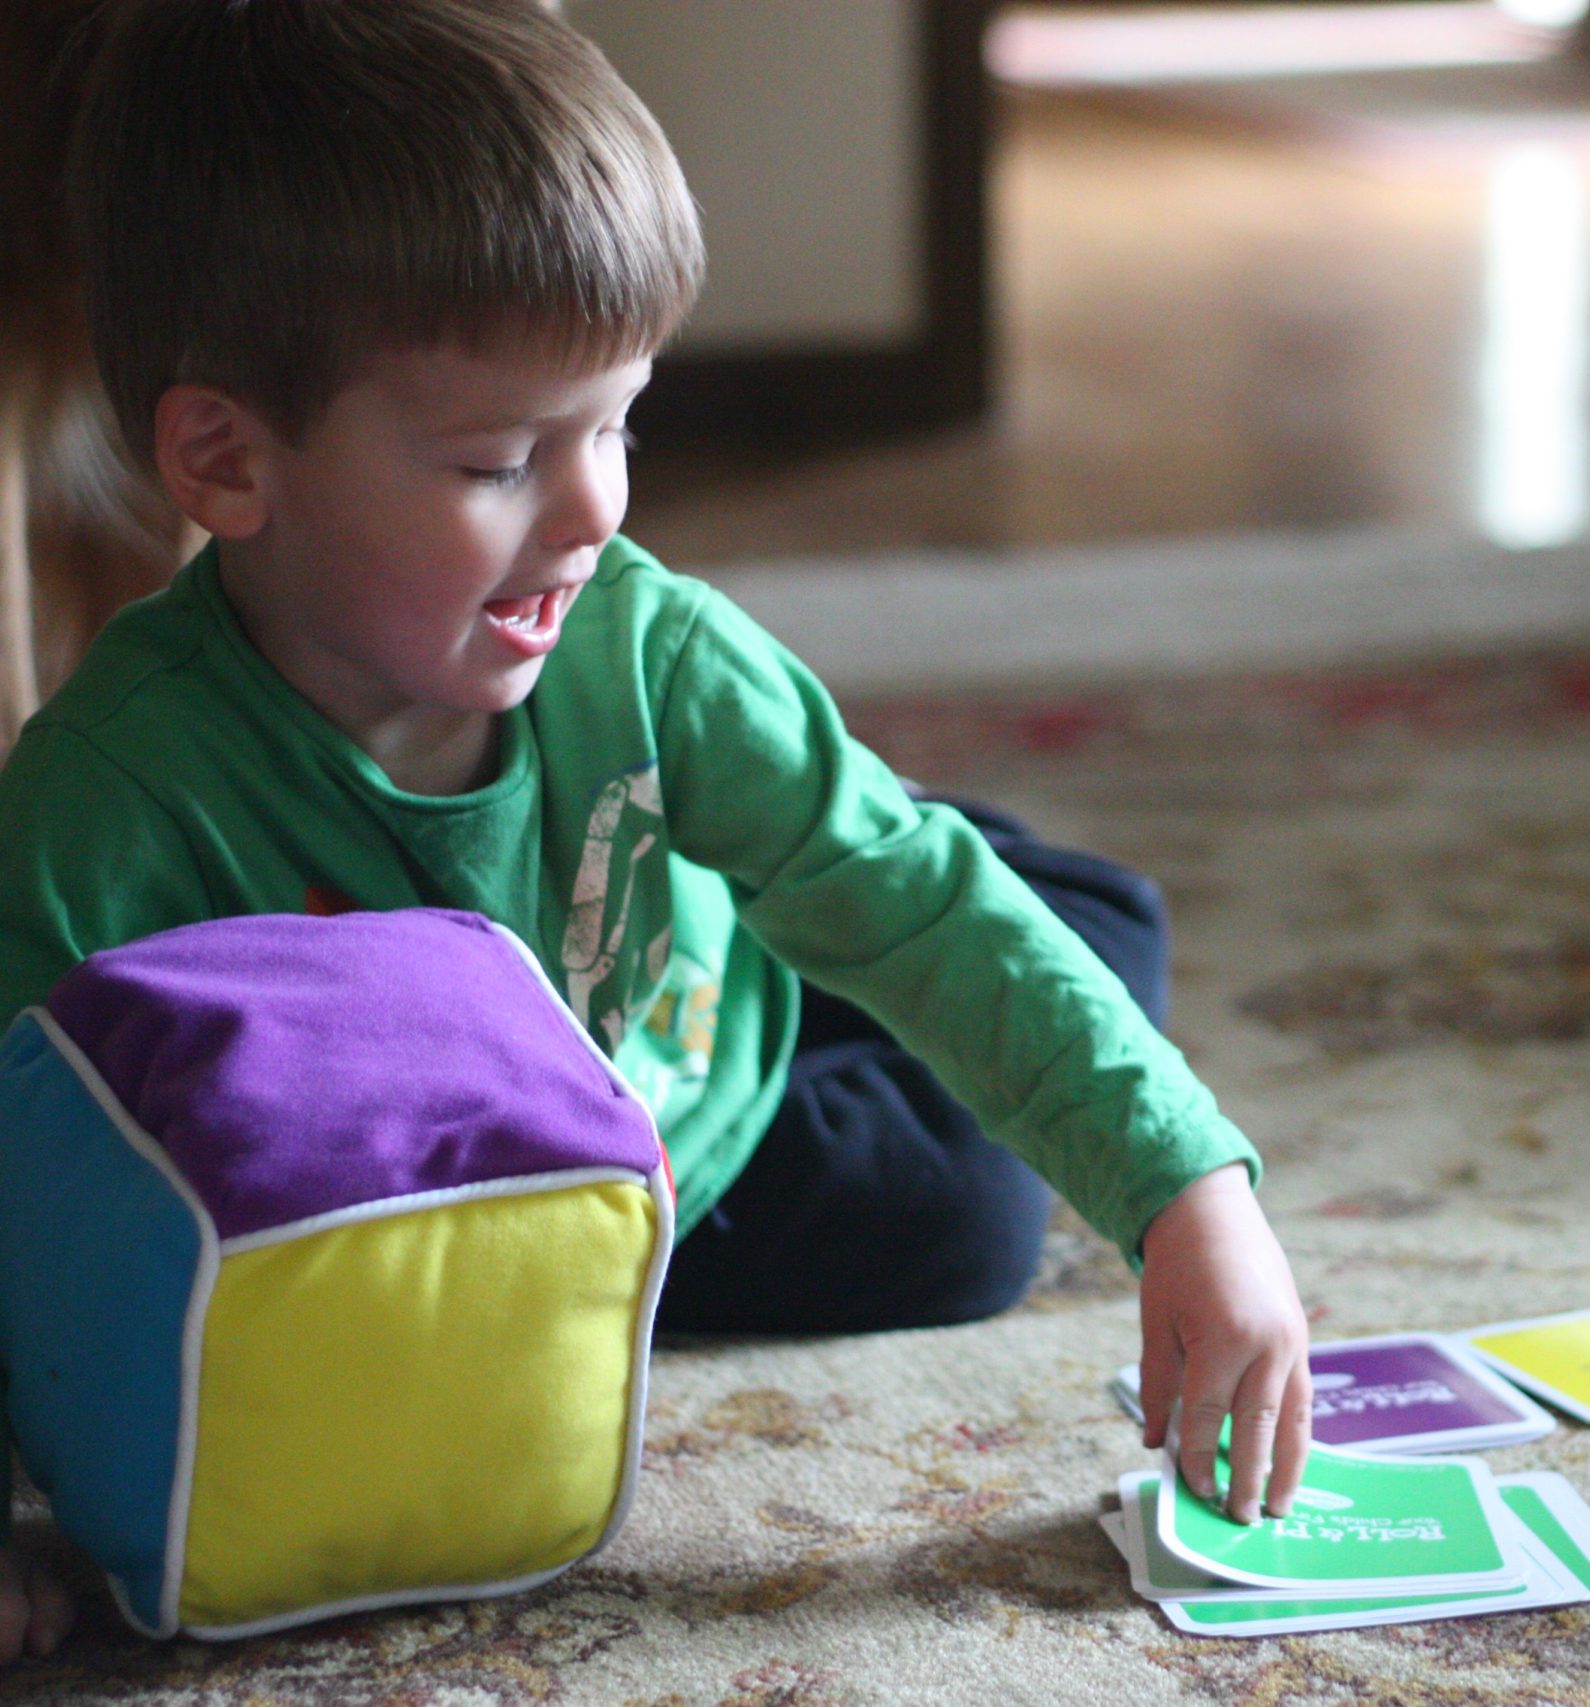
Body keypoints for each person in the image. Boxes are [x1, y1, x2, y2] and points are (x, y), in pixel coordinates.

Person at [0, 0, 1311, 1660]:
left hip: (697, 1034)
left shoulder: (642, 642)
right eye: (500, 458)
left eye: (617, 422)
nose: (595, 508)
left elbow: (917, 910)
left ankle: (870, 879)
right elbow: (18, 1168)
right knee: (963, 1174)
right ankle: (856, 888)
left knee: (1012, 959)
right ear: (224, 459)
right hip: (536, 1183)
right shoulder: (111, 796)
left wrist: (1191, 1195)